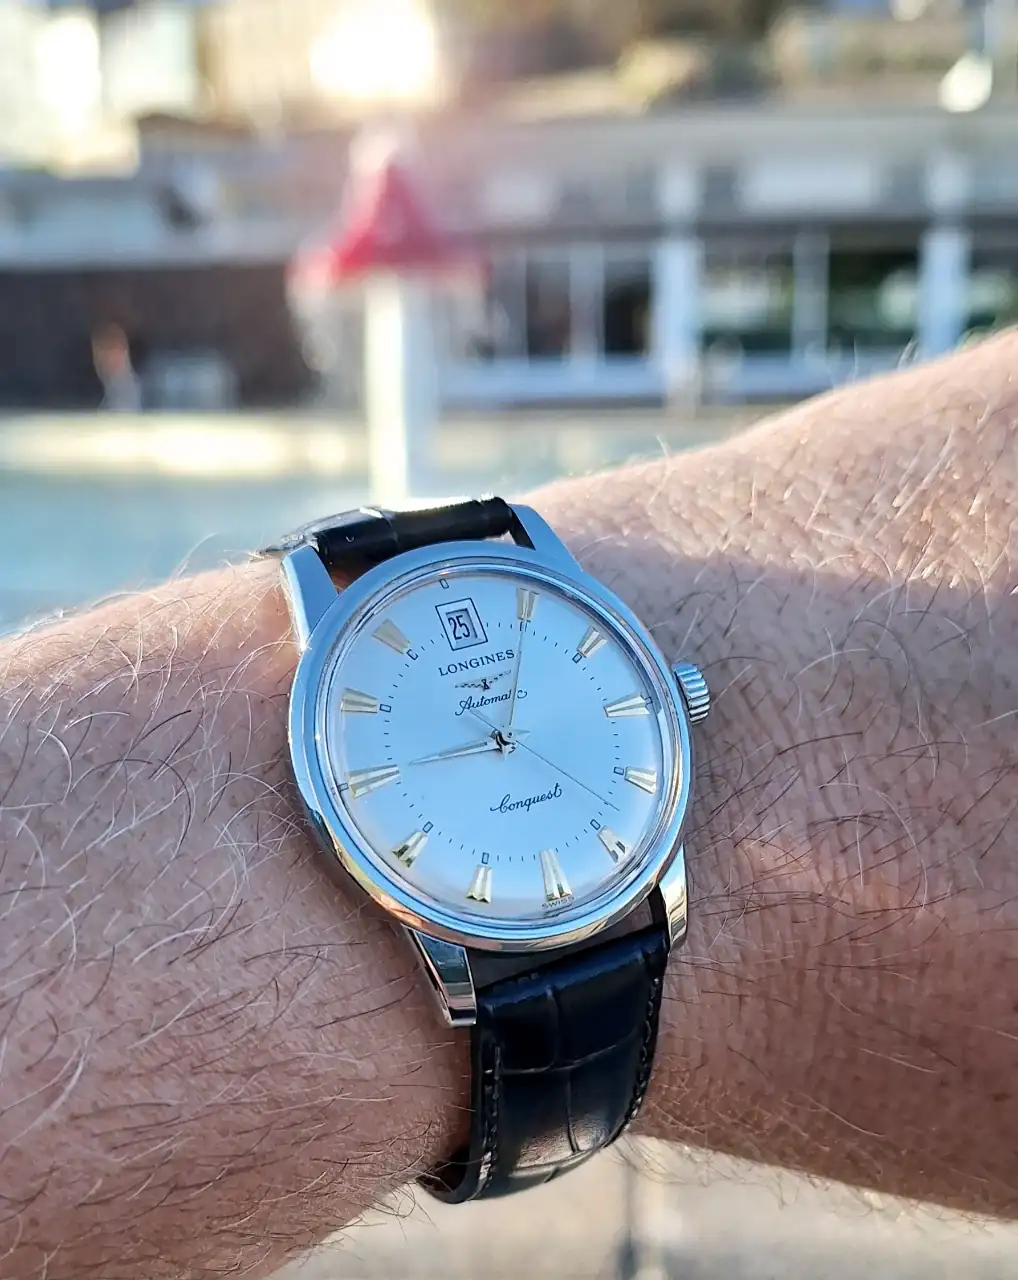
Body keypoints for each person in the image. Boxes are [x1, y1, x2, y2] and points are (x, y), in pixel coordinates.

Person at [1, 332, 1017, 1278]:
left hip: (603, 877)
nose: (501, 737)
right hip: (483, 917)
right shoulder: (348, 678)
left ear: (676, 695)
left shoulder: (624, 753)